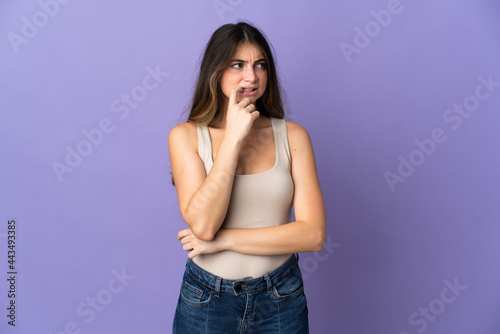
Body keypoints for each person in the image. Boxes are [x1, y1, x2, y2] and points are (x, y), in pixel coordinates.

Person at [168, 21, 326, 334]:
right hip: (206, 300)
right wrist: (233, 139)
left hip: (280, 297)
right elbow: (203, 225)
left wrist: (224, 241)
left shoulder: (293, 136)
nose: (251, 77)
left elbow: (313, 235)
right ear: (216, 72)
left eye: (260, 65)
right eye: (237, 65)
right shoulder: (185, 137)